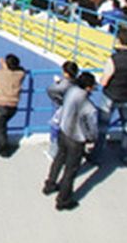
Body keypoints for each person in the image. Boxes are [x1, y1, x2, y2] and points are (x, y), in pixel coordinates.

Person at [42, 72, 98, 211]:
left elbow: (53, 91)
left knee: (59, 158)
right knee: (70, 171)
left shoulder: (70, 91)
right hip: (76, 139)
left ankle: (50, 184)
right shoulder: (89, 107)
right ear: (89, 88)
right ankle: (63, 200)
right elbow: (91, 128)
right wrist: (91, 138)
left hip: (63, 131)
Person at [98, 26, 127, 167]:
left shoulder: (114, 59)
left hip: (111, 95)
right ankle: (126, 155)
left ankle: (98, 154)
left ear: (118, 40)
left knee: (103, 126)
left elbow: (104, 81)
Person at [0, 55, 26, 157]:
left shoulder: (0, 74)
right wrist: (6, 66)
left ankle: (1, 149)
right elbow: (22, 70)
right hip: (13, 106)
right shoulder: (20, 74)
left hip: (0, 105)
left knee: (1, 128)